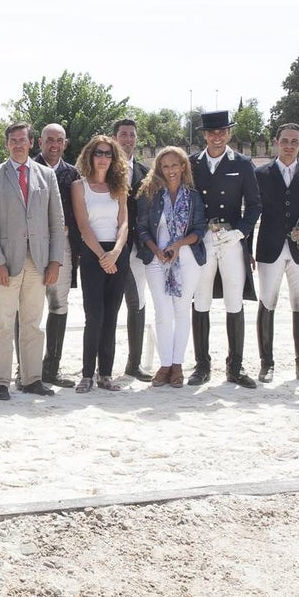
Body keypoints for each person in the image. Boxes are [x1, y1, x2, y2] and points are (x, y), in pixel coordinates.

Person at [0, 122, 65, 400]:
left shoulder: (47, 175)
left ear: (31, 143)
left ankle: (32, 378)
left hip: (38, 261)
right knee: (3, 324)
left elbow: (57, 221)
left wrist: (55, 261)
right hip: (5, 262)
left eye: (22, 140)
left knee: (32, 322)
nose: (17, 144)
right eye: (12, 140)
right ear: (7, 145)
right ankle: (1, 381)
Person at [187, 110, 262, 389]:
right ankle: (202, 365)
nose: (217, 137)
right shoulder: (192, 163)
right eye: (212, 132)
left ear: (228, 134)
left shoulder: (242, 163)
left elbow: (254, 204)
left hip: (231, 238)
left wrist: (241, 232)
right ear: (204, 135)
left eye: (222, 132)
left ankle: (235, 366)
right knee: (202, 298)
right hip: (204, 237)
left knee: (234, 299)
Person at [253, 123, 299, 385]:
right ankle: (266, 363)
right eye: (285, 141)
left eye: (294, 141)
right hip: (269, 247)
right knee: (267, 301)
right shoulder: (261, 174)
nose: (289, 145)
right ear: (276, 142)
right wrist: (247, 250)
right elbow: (252, 213)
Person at [135, 147, 207, 387]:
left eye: (175, 165)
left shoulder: (193, 196)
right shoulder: (150, 194)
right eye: (165, 166)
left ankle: (177, 365)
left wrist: (177, 245)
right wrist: (156, 249)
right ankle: (165, 364)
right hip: (156, 260)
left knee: (181, 311)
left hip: (186, 259)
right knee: (162, 313)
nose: (170, 170)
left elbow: (199, 229)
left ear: (183, 166)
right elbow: (142, 227)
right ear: (159, 169)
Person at [70, 135, 130, 392]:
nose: (103, 158)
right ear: (89, 156)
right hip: (93, 253)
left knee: (112, 316)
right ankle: (86, 375)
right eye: (99, 153)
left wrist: (115, 252)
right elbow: (83, 226)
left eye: (108, 153)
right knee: (94, 316)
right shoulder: (78, 186)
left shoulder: (120, 185)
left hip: (117, 253)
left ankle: (105, 374)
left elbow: (125, 222)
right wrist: (102, 256)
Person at [30, 123, 79, 389]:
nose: (54, 145)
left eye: (59, 140)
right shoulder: (27, 169)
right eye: (49, 140)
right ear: (40, 142)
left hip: (63, 247)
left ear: (65, 143)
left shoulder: (72, 174)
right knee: (28, 308)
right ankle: (26, 367)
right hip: (32, 247)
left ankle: (52, 367)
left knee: (59, 305)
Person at [114, 118, 153, 382]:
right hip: (109, 247)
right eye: (123, 134)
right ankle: (99, 363)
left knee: (137, 304)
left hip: (137, 248)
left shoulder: (145, 172)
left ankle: (134, 363)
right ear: (115, 137)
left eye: (131, 135)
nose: (128, 139)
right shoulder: (101, 168)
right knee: (105, 307)